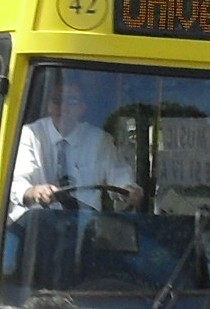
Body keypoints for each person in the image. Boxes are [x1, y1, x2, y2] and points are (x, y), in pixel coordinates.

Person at [9, 71, 137, 213]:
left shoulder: (100, 140)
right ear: (49, 106)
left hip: (82, 227)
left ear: (82, 108)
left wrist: (129, 189)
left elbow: (119, 175)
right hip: (32, 226)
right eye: (57, 101)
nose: (63, 107)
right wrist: (34, 192)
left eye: (71, 101)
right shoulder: (31, 135)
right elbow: (16, 182)